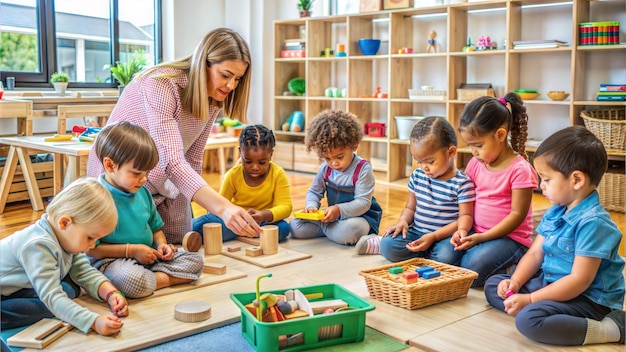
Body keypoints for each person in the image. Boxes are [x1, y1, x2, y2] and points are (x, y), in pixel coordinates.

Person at [87, 27, 261, 244]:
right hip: (123, 177)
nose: (231, 85)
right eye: (225, 75)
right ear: (202, 62)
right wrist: (223, 207)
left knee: (179, 241)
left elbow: (193, 159)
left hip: (164, 176)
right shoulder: (161, 84)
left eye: (238, 79)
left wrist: (194, 200)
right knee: (134, 245)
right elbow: (171, 160)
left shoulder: (213, 99)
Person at [484, 126, 625, 346]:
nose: (541, 186)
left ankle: (612, 328)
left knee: (529, 320)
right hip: (551, 282)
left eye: (547, 179)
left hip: (588, 299)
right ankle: (531, 306)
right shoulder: (557, 210)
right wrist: (515, 282)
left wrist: (530, 299)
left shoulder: (594, 223)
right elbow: (534, 255)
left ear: (576, 179)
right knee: (494, 284)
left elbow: (579, 281)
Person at [87, 122, 204, 299]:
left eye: (147, 173)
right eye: (136, 173)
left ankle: (151, 281)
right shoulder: (95, 197)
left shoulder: (142, 192)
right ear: (110, 165)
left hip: (148, 259)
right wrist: (131, 251)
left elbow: (155, 227)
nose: (143, 179)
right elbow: (91, 250)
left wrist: (161, 245)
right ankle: (157, 280)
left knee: (196, 261)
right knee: (128, 278)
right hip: (112, 262)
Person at [1, 178, 128, 336]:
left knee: (68, 289)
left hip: (16, 286)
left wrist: (111, 293)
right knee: (48, 305)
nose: (93, 245)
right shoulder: (38, 245)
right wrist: (93, 321)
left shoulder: (64, 238)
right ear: (65, 223)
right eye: (90, 238)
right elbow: (52, 297)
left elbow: (83, 271)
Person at [356, 117, 475, 262]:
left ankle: (422, 253)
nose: (424, 167)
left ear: (451, 152)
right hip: (417, 232)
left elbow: (465, 217)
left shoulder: (462, 183)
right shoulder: (418, 176)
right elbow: (410, 208)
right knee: (388, 245)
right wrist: (403, 221)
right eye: (420, 162)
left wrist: (435, 236)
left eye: (430, 161)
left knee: (447, 255)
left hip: (444, 237)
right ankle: (418, 252)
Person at [453, 92, 538, 287]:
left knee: (471, 266)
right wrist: (462, 229)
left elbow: (517, 215)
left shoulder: (520, 170)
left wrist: (482, 238)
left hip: (510, 239)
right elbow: (466, 200)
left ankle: (515, 266)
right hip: (478, 233)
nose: (473, 152)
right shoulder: (475, 163)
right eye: (470, 146)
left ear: (500, 135)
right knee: (446, 254)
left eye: (478, 145)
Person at [289, 109, 382, 245]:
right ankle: (333, 232)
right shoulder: (326, 168)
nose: (334, 163)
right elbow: (314, 191)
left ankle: (332, 231)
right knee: (295, 226)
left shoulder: (363, 169)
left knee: (351, 230)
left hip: (360, 217)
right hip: (334, 218)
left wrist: (338, 210)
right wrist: (311, 206)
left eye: (339, 157)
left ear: (354, 146)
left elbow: (363, 204)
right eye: (327, 158)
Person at [192, 124, 292, 242]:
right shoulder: (233, 175)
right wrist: (236, 218)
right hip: (235, 221)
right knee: (205, 223)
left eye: (262, 162)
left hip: (263, 221)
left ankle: (243, 233)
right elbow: (219, 207)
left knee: (284, 228)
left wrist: (263, 215)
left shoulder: (278, 174)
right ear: (240, 152)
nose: (255, 167)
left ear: (271, 154)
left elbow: (286, 207)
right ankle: (248, 233)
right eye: (248, 161)